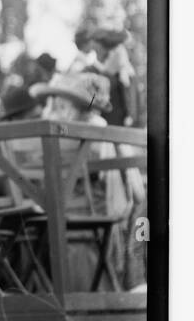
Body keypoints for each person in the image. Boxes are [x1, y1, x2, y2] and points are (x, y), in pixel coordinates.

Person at [29, 72, 146, 292]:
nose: (50, 109)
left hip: (63, 214)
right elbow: (136, 191)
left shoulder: (73, 134)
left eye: (56, 103)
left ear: (68, 107)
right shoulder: (100, 131)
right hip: (98, 216)